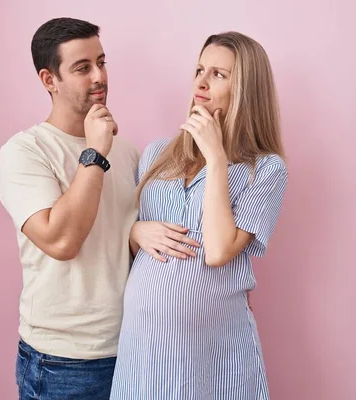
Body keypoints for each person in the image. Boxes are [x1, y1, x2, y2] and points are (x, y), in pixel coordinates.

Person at [110, 31, 288, 399]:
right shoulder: (157, 153)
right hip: (143, 349)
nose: (201, 83)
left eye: (219, 74)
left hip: (214, 354)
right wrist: (135, 232)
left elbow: (220, 250)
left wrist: (216, 158)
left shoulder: (266, 169)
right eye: (199, 70)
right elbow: (127, 236)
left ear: (246, 90)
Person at [0, 17, 139, 399]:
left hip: (135, 350)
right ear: (49, 80)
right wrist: (94, 154)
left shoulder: (127, 152)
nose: (99, 77)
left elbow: (128, 245)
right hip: (63, 363)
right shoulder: (25, 152)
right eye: (82, 68)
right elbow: (61, 241)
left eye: (102, 62)